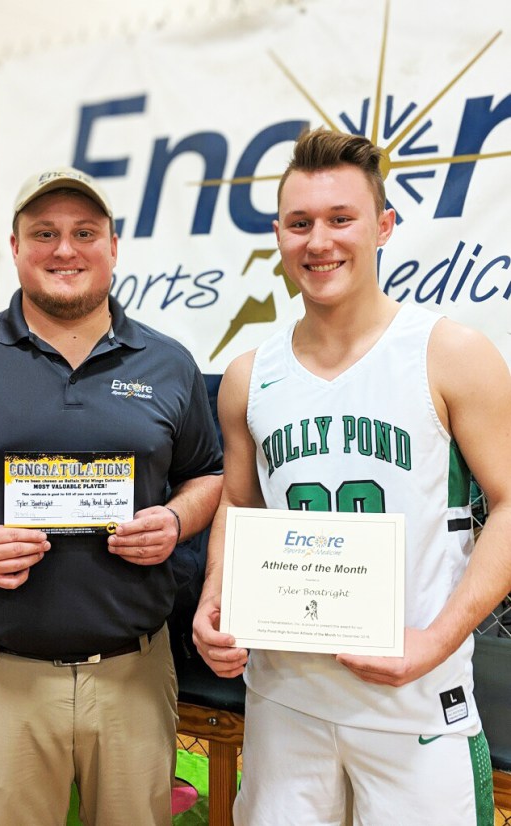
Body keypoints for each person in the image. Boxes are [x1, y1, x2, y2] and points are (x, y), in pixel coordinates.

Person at [192, 127, 511, 825]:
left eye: (342, 220)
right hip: (285, 701)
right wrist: (216, 599)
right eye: (300, 223)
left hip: (414, 705)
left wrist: (436, 640)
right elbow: (238, 509)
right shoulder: (250, 375)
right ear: (277, 234)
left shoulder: (449, 351)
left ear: (384, 226)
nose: (320, 241)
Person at [0, 166, 223, 826]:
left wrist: (177, 520)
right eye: (44, 233)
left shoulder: (168, 363)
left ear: (113, 246)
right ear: (15, 248)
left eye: (83, 232)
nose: (64, 250)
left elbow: (207, 475)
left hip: (132, 676)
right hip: (2, 678)